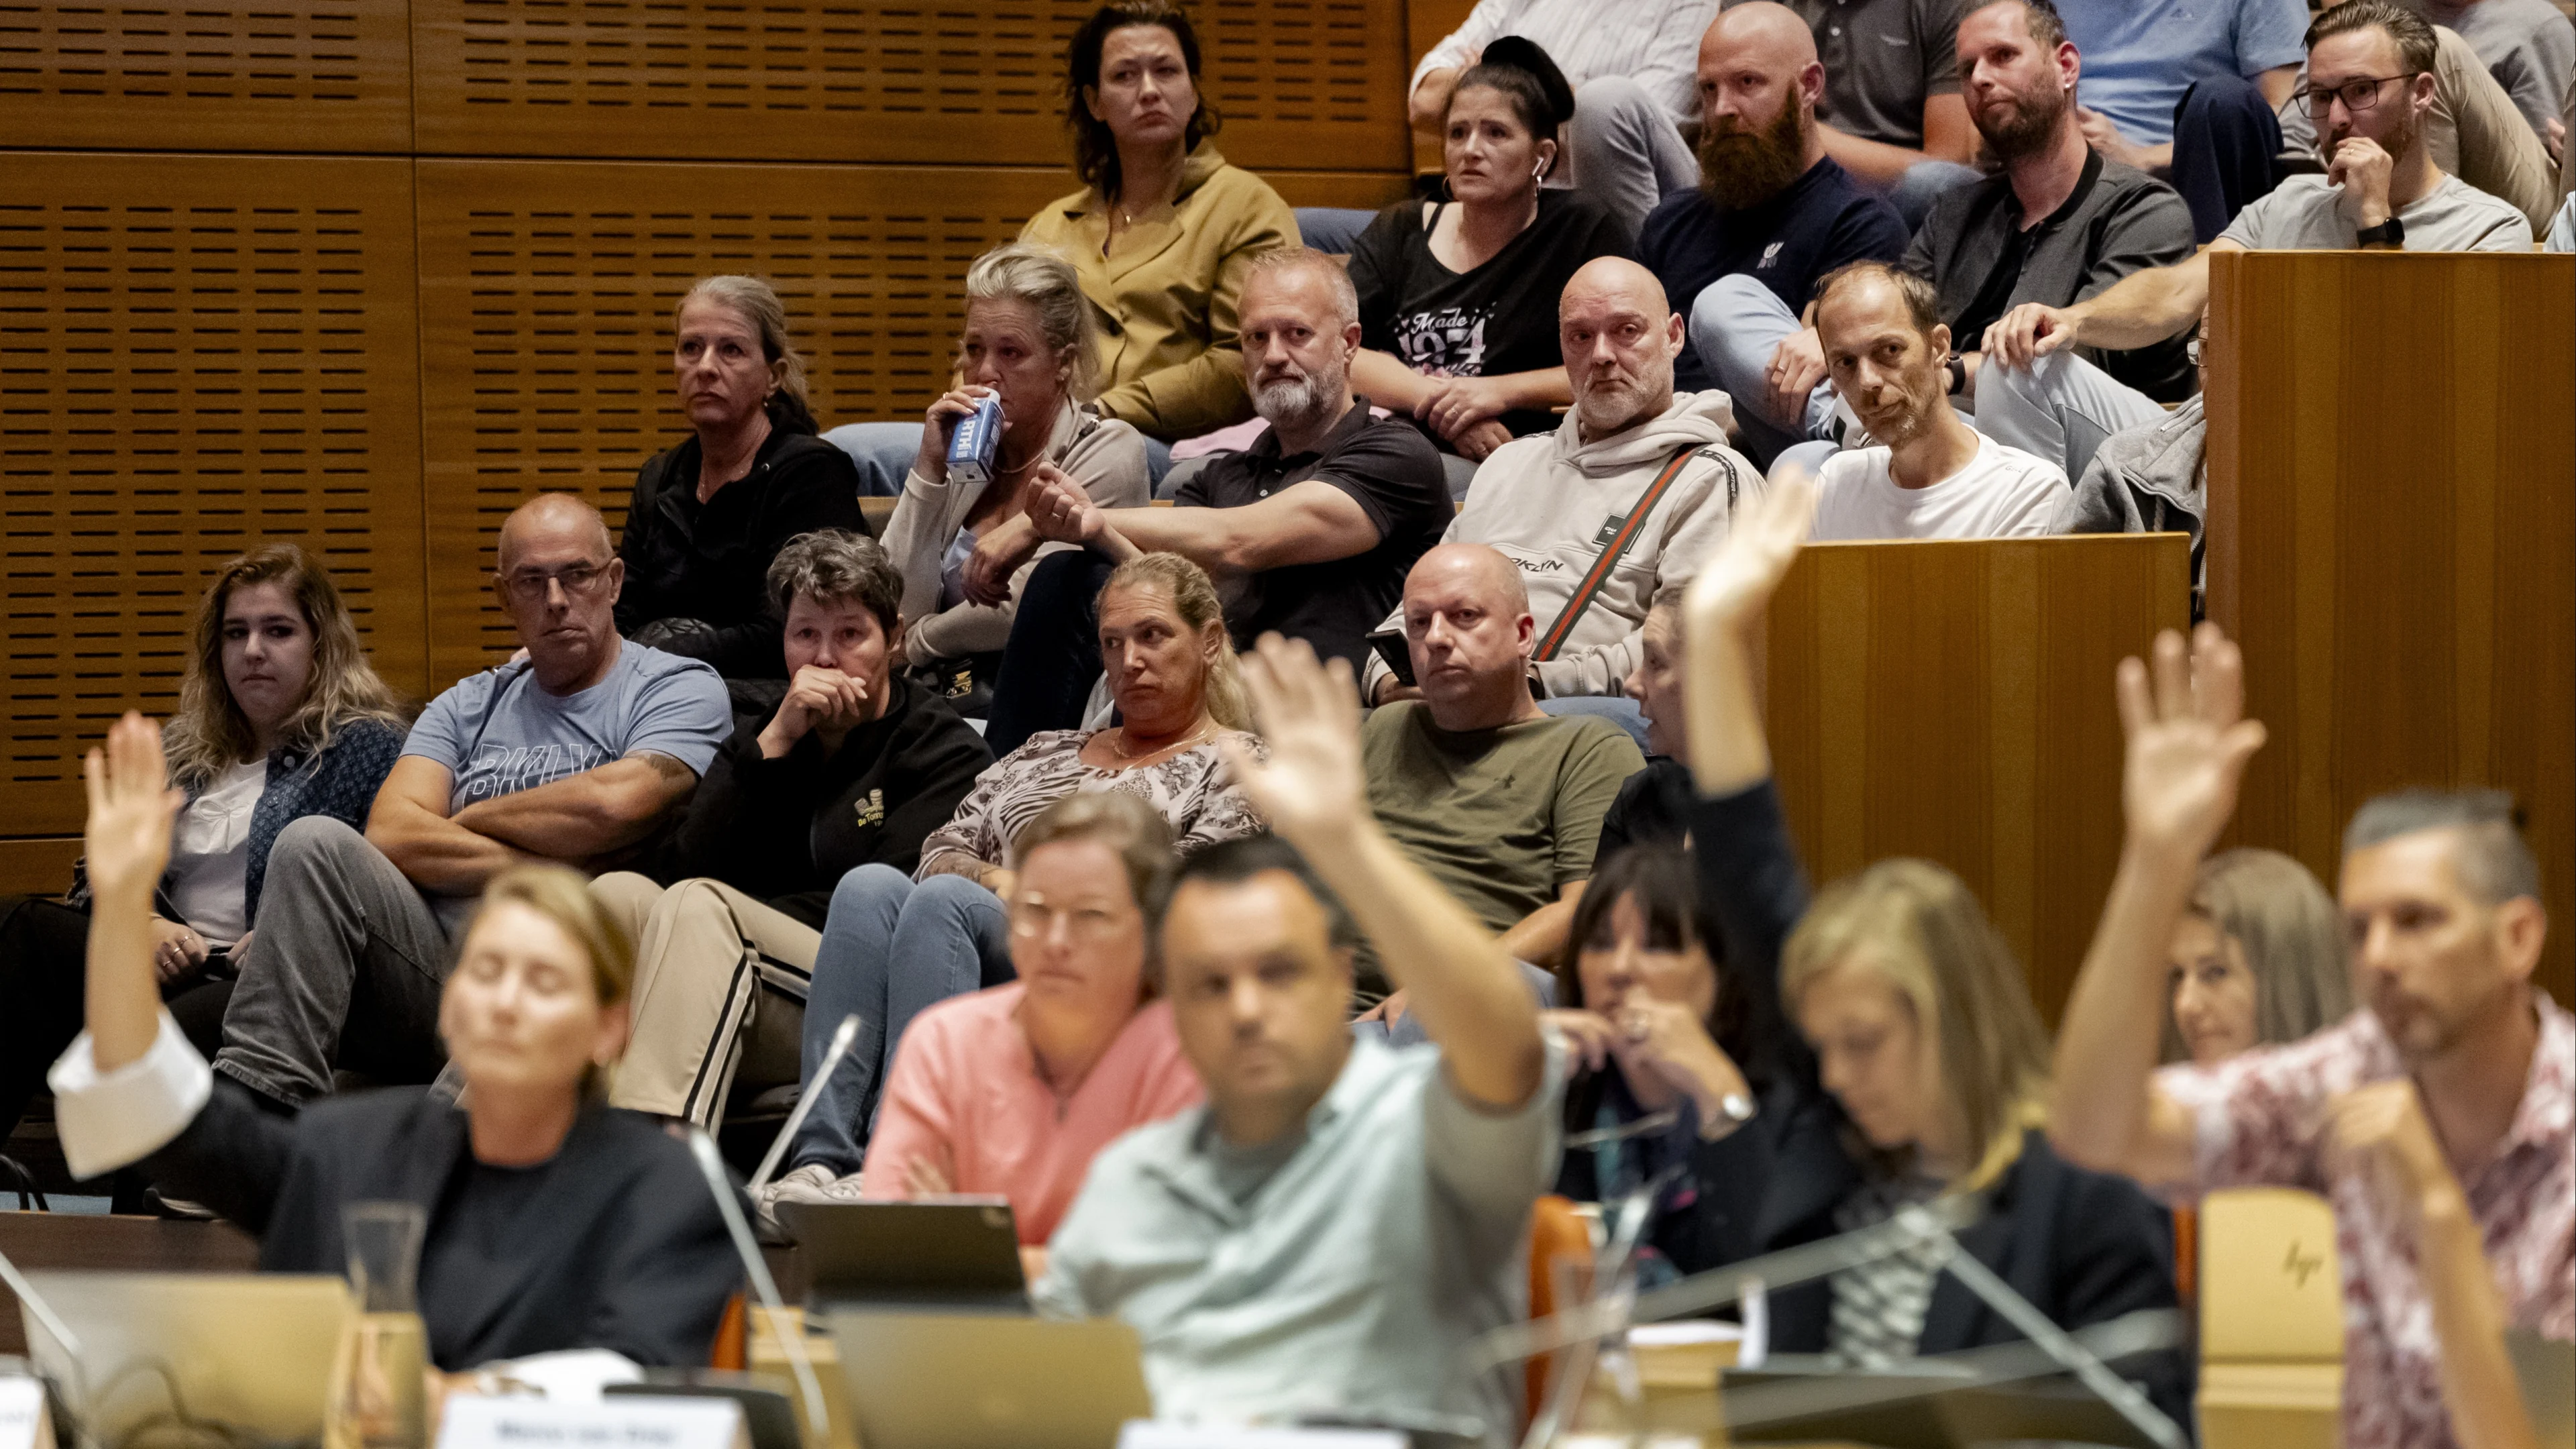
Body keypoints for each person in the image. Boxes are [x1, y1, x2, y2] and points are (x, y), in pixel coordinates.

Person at [1673, 474, 2188, 1407]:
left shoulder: (2077, 1188)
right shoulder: (1838, 1138)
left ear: (1953, 1017)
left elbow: (2150, 1422)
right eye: (1823, 1046)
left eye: (1862, 1043)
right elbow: (1748, 866)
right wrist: (1712, 636)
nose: (1831, 1076)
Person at [51, 716, 739, 1370]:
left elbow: (639, 1386)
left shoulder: (667, 1190)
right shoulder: (352, 1149)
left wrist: (437, 1401)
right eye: (487, 972)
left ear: (607, 1027)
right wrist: (119, 904)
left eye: (545, 981)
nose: (504, 1002)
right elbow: (154, 1110)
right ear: (450, 1006)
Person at [2049, 627, 2569, 1449]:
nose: (2380, 958)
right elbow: (2093, 1131)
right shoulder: (2348, 1074)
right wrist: (2156, 861)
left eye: (2417, 921)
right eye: (2358, 929)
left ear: (2517, 939)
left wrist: (2436, 1214)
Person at [1036, 632, 1562, 1441]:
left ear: (1336, 975)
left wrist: (1345, 839)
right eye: (1211, 984)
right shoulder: (1129, 1187)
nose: (1245, 1009)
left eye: (1277, 973)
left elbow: (1507, 1041)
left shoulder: (1422, 1130)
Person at [211, 494, 731, 1111]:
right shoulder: (468, 703)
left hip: (572, 980)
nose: (557, 600)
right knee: (312, 843)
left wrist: (468, 819)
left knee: (593, 905)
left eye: (578, 575)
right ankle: (253, 1116)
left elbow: (617, 804)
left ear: (614, 582)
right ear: (504, 597)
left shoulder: (677, 687)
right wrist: (561, 861)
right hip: (433, 969)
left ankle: (448, 1150)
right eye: (532, 582)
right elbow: (395, 833)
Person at [765, 553, 1265, 1191]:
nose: (1129, 661)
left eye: (1153, 636)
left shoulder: (1238, 764)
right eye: (1112, 643)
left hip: (1114, 968)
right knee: (870, 888)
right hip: (983, 938)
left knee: (946, 901)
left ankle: (908, 1159)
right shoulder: (1042, 749)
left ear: (1210, 642)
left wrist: (1024, 894)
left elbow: (1192, 902)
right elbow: (940, 848)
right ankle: (818, 1157)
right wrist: (1000, 890)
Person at [1983, 1, 2534, 483]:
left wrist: (2374, 218)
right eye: (2321, 97)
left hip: (2369, 461)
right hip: (2224, 436)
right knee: (2017, 366)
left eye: (2361, 91)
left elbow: (2421, 384)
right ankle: (2047, 579)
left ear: (2422, 93)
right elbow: (2176, 293)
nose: (2338, 119)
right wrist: (2074, 321)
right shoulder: (2290, 202)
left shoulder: (2489, 229)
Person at [0, 547, 409, 1145]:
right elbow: (93, 879)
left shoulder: (369, 746)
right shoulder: (179, 750)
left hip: (267, 987)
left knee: (169, 1031)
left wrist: (287, 933)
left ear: (321, 645)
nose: (253, 651)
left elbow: (387, 888)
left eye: (279, 631)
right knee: (18, 928)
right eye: (235, 634)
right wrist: (141, 923)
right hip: (160, 962)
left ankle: (134, 1229)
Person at [971, 250, 1450, 751]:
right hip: (1213, 696)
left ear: (1349, 344)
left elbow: (1240, 542)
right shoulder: (1217, 478)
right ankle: (1010, 786)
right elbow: (1179, 599)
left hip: (1319, 716)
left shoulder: (1396, 453)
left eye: (1297, 334)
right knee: (1075, 582)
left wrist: (1059, 522)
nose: (1274, 355)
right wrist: (1092, 531)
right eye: (1255, 338)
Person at [592, 532, 991, 1131]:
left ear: (895, 639)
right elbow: (679, 866)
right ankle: (482, 1153)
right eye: (805, 634)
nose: (824, 659)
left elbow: (883, 916)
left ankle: (658, 1173)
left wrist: (740, 914)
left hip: (852, 997)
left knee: (703, 908)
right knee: (615, 898)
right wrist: (772, 743)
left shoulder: (943, 752)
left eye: (850, 634)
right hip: (723, 965)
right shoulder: (767, 734)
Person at [826, 1, 1297, 494]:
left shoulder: (1247, 206)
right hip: (1024, 431)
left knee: (1093, 456)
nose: (1151, 90)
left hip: (1151, 437)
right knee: (846, 453)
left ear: (1194, 91)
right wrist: (970, 408)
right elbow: (984, 339)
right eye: (1125, 75)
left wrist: (1104, 410)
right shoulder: (1052, 223)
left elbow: (1238, 362)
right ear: (1094, 102)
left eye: (1167, 71)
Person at [1762, 0, 2198, 480]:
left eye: (2003, 56)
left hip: (2088, 449)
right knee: (1729, 305)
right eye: (1967, 69)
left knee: (2022, 364)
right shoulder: (1956, 212)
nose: (1981, 79)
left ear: (2066, 66)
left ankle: (1844, 422)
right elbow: (1894, 317)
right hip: (1925, 417)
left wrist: (1942, 377)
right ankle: (1844, 422)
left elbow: (2074, 355)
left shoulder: (2144, 209)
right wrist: (1829, 331)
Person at [763, 792, 1202, 1252]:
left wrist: (976, 1243)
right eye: (1035, 910)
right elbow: (890, 1243)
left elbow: (1166, 1262)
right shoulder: (942, 1040)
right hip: (948, 1315)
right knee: (867, 885)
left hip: (1112, 1322)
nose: (1055, 940)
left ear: (1148, 929)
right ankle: (821, 1164)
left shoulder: (1186, 1055)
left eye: (1090, 915)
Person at [1363, 258, 1762, 712]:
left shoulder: (1710, 478)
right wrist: (1388, 680)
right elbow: (1417, 606)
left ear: (1673, 337)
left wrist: (1524, 687)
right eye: (1581, 336)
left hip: (1591, 716)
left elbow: (1684, 647)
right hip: (1457, 702)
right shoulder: (1509, 463)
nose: (1602, 355)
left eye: (1627, 331)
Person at [878, 244, 1150, 710]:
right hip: (941, 702)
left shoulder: (1108, 447)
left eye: (1011, 353)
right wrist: (929, 469)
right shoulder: (968, 450)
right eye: (974, 349)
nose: (985, 372)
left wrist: (920, 643)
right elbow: (893, 606)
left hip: (1050, 701)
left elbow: (1025, 604)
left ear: (1063, 363)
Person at [1348, 40, 1635, 477]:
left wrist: (1497, 393)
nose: (1470, 150)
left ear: (1542, 156)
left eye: (1496, 133)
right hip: (1399, 445)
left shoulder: (1581, 230)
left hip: (1532, 459)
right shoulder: (1400, 228)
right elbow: (1339, 351)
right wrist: (1445, 407)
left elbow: (1624, 358)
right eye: (1458, 133)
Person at [1362, 544, 1646, 984]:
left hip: (1474, 1006)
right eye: (1420, 623)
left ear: (1523, 635)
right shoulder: (1387, 726)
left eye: (1465, 616)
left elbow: (1589, 911)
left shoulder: (1586, 747)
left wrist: (1447, 991)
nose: (1436, 638)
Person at [1652, 2, 1911, 466]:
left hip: (1768, 447)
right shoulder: (1670, 221)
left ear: (1809, 85)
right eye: (1709, 89)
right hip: (1657, 451)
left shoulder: (1860, 222)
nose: (1722, 108)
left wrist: (1697, 425)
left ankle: (1860, 431)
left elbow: (1854, 369)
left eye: (1747, 83)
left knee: (1722, 304)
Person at [614, 276, 870, 677]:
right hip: (654, 692)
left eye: (730, 350)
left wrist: (645, 658)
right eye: (691, 348)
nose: (705, 368)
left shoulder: (812, 474)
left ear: (773, 376)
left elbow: (787, 634)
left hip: (771, 700)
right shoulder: (659, 479)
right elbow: (621, 613)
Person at [1547, 845, 1773, 1279]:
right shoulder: (1559, 1084)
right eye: (1599, 945)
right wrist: (1511, 1097)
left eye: (1656, 946)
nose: (1620, 968)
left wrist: (1716, 1085)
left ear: (1722, 972)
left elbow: (1775, 1286)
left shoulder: (1781, 1092)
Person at [1403, 0, 1719, 235]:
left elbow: (1618, 132)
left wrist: (1484, 80)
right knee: (1361, 237)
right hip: (1495, 209)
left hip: (1604, 222)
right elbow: (1423, 100)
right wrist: (1548, 96)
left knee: (1604, 101)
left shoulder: (1689, 4)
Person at [1806, 263, 2068, 541]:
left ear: (1940, 348)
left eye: (1890, 350)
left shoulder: (2027, 492)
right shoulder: (1835, 482)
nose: (1867, 381)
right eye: (1845, 362)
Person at [2055, 0, 2307, 240]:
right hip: (2063, 150)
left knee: (2223, 98)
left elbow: (2282, 110)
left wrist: (2142, 158)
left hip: (2197, 164)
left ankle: (2210, 272)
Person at [1744, 0, 1982, 223]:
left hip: (1892, 190)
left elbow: (1950, 161)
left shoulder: (1940, 6)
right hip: (1778, 170)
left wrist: (1799, 132)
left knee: (1935, 183)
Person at [2163, 847, 2352, 1067]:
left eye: (2215, 973)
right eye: (2178, 975)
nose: (2187, 1005)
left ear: (2290, 974)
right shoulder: (2163, 1095)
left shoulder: (2373, 1088)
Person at [2404, 0, 2575, 154]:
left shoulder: (2541, 24)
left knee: (2443, 49)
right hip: (2396, 164)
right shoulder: (2392, 11)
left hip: (2503, 177)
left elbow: (2556, 162)